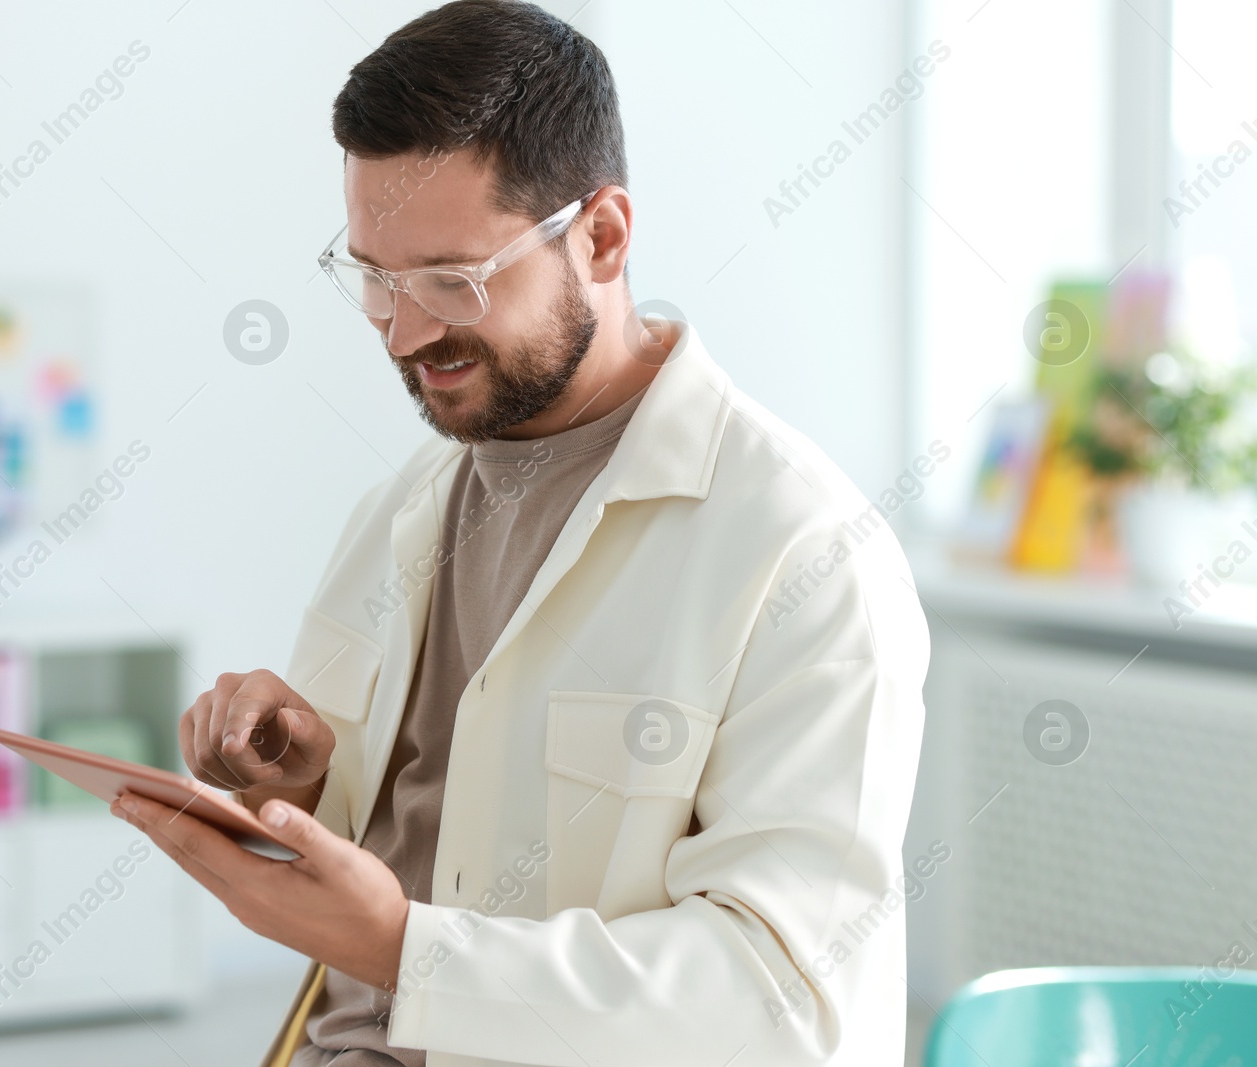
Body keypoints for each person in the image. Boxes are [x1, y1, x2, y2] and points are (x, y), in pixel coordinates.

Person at [108, 2, 931, 1064]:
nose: (404, 332)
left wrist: (407, 947)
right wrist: (300, 785)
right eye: (373, 277)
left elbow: (780, 1002)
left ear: (601, 236)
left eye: (451, 280)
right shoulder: (404, 507)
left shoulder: (803, 552)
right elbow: (417, 835)